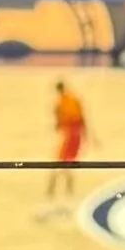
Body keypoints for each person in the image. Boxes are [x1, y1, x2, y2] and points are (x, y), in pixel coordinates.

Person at [40, 79, 88, 214]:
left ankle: (53, 191)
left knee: (60, 163)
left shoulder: (61, 104)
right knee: (67, 165)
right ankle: (66, 191)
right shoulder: (73, 100)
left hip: (70, 138)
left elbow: (59, 124)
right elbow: (82, 119)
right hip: (76, 137)